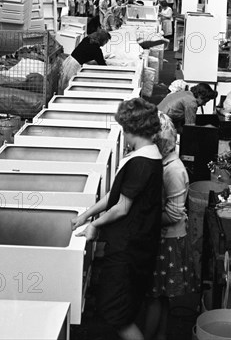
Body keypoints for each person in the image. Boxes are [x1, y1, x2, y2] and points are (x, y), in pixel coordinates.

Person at [72, 98, 163, 340]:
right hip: (133, 244)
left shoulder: (142, 162)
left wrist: (94, 225)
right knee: (123, 309)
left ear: (132, 128)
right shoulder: (146, 155)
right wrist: (86, 215)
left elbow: (122, 207)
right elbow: (115, 196)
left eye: (124, 127)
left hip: (129, 249)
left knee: (117, 314)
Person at [145, 112, 196, 340]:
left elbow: (174, 213)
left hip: (168, 240)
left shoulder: (173, 170)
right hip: (166, 238)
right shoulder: (165, 164)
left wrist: (144, 219)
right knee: (161, 295)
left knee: (154, 297)